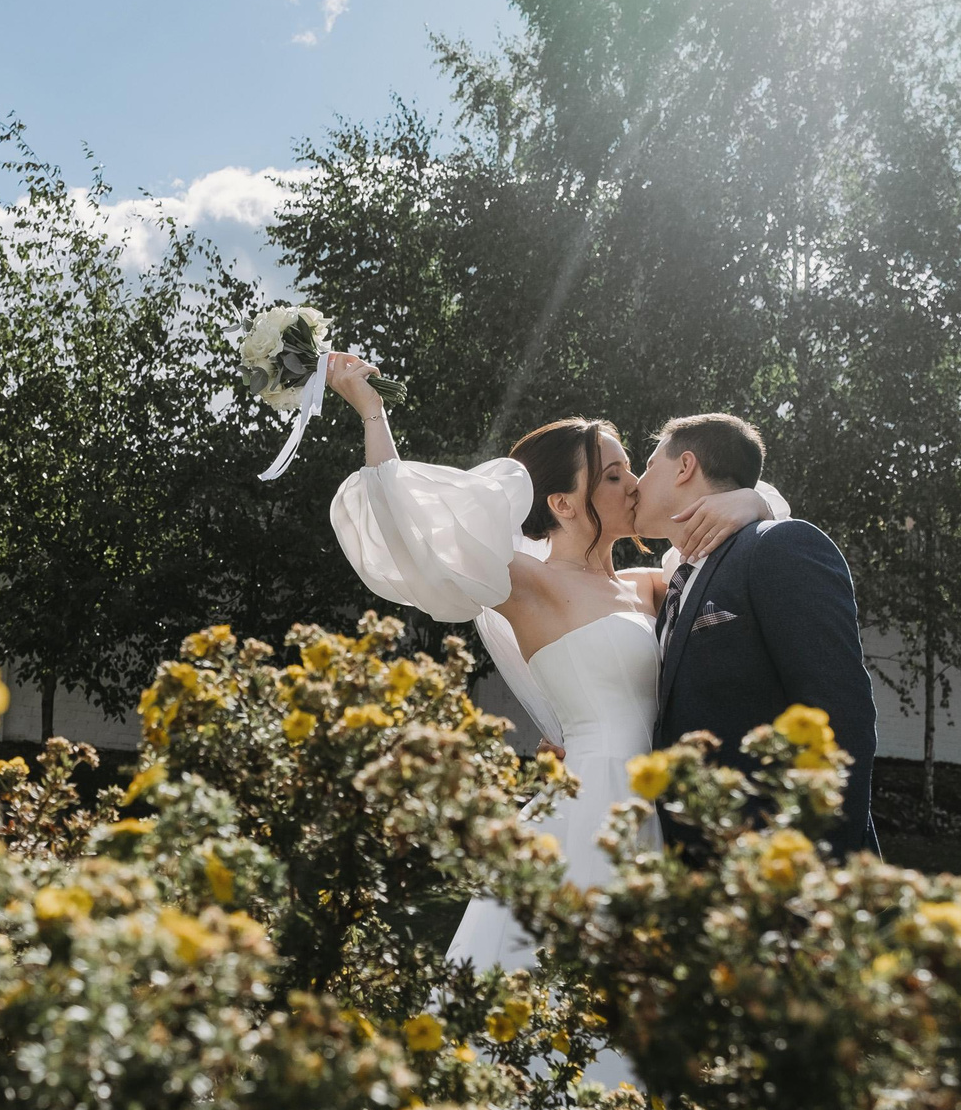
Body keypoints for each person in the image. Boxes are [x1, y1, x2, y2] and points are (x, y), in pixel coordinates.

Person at [320, 355, 783, 979]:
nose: (634, 486)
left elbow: (761, 536)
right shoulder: (531, 585)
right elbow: (411, 521)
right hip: (586, 808)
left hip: (657, 808)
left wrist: (748, 500)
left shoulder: (655, 585)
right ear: (564, 504)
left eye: (629, 471)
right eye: (615, 475)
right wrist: (370, 410)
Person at [630, 413, 880, 854]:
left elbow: (840, 711)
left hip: (776, 858)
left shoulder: (777, 546)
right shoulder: (679, 581)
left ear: (685, 466)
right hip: (694, 856)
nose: (636, 482)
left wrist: (820, 858)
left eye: (649, 465)